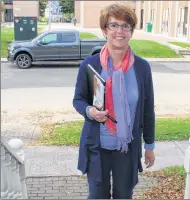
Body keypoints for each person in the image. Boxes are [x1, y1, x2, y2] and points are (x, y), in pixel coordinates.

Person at [72, 3, 155, 199]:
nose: (120, 31)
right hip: (97, 145)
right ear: (104, 30)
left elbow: (148, 110)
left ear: (132, 32)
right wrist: (89, 111)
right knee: (97, 195)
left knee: (124, 195)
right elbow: (78, 99)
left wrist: (149, 146)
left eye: (126, 25)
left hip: (127, 146)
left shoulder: (142, 68)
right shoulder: (90, 65)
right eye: (114, 25)